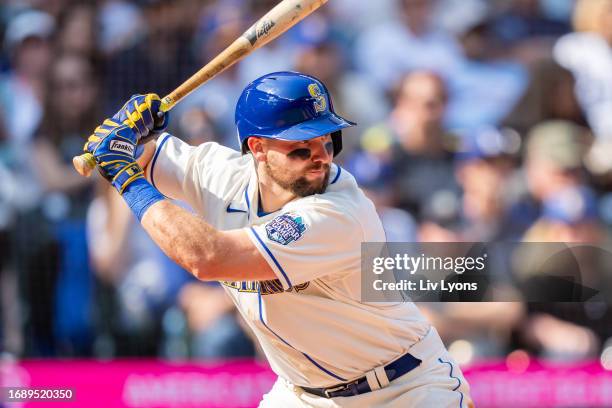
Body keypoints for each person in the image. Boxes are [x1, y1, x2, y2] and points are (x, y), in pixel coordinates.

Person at [82, 71, 473, 407]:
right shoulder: (221, 173)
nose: (320, 156)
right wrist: (122, 131)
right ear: (258, 149)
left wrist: (123, 172)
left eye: (327, 141)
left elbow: (206, 257)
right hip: (304, 393)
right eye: (301, 147)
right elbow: (131, 157)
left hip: (405, 389)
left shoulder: (339, 213)